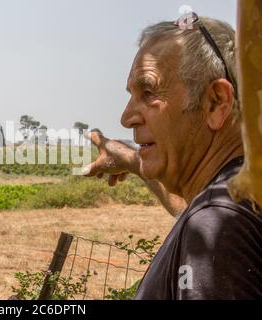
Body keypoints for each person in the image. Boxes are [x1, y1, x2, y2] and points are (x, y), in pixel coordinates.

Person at [83, 14, 261, 299]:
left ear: (216, 102)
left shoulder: (217, 219)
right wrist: (133, 160)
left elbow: (207, 216)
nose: (126, 117)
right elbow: (190, 207)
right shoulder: (238, 197)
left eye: (149, 92)